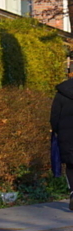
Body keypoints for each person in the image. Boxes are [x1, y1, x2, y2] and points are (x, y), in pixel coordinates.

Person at [50, 56, 73, 210]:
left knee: (71, 165)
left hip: (67, 136)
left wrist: (58, 132)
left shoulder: (62, 92)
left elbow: (54, 117)